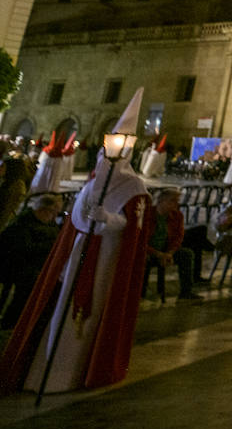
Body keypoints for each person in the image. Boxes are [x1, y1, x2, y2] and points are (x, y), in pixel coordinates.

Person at [0, 90, 153, 395]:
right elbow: (76, 220)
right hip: (79, 253)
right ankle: (47, 368)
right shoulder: (95, 181)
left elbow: (132, 228)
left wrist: (109, 221)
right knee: (62, 307)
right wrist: (86, 218)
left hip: (107, 259)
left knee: (92, 311)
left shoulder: (134, 187)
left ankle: (78, 370)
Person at [0, 194, 64, 329]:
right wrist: (49, 246)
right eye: (53, 213)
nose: (54, 217)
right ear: (43, 210)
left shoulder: (48, 224)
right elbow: (22, 250)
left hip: (34, 265)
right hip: (17, 267)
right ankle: (10, 323)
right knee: (29, 284)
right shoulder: (22, 224)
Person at [146, 189, 201, 301]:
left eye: (177, 201)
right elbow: (141, 241)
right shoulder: (148, 215)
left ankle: (186, 292)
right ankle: (141, 291)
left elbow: (178, 237)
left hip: (166, 251)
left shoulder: (177, 216)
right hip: (148, 251)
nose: (176, 204)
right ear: (161, 201)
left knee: (187, 254)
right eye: (172, 201)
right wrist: (158, 254)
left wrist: (170, 253)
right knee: (142, 259)